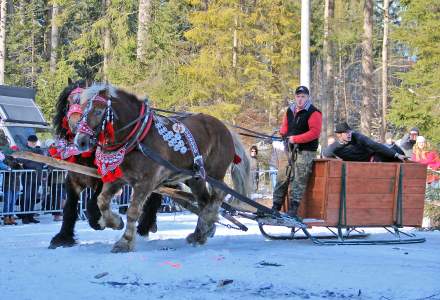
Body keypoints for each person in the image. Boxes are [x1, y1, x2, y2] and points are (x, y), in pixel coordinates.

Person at [272, 85, 322, 218]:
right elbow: (285, 126)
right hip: (289, 149)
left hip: (305, 151)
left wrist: (296, 139)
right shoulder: (290, 110)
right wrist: (283, 133)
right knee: (281, 177)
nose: (300, 99)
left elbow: (314, 133)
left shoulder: (314, 112)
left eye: (303, 96)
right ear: (295, 97)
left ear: (308, 97)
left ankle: (293, 209)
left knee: (298, 179)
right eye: (298, 96)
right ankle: (275, 207)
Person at [323, 122, 407, 162]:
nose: (349, 134)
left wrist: (396, 154)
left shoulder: (357, 137)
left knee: (398, 156)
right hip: (358, 168)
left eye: (349, 132)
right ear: (339, 135)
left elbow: (374, 145)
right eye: (346, 132)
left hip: (378, 158)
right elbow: (325, 154)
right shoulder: (335, 147)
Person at [19, 135, 45, 224]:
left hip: (37, 176)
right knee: (26, 196)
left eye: (34, 141)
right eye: (31, 142)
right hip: (27, 176)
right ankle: (24, 216)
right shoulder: (24, 150)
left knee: (33, 197)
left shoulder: (40, 150)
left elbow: (42, 162)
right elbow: (22, 161)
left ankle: (30, 215)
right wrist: (31, 156)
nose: (33, 143)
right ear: (28, 141)